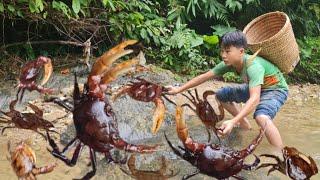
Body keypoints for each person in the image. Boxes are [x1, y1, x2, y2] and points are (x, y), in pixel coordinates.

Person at [166, 30, 288, 150]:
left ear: (241, 51)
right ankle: (245, 125)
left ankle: (280, 153)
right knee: (221, 95)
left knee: (261, 117)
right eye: (222, 51)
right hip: (256, 87)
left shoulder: (253, 66)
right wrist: (178, 89)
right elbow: (204, 77)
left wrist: (233, 121)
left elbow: (255, 99)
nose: (223, 55)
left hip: (275, 89)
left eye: (228, 51)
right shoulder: (228, 63)